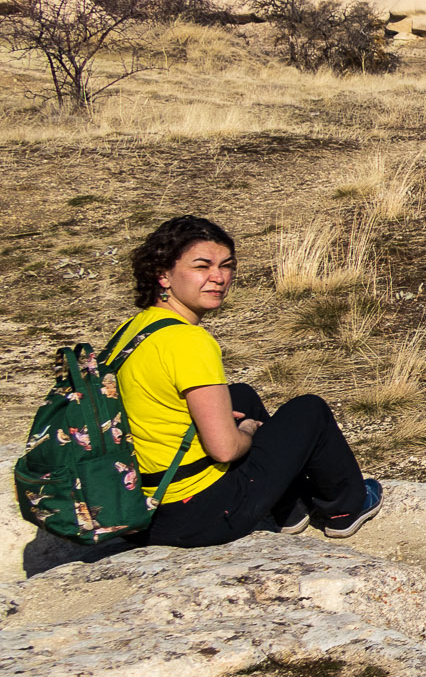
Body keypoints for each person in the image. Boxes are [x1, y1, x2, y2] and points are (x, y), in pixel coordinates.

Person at [52, 214, 381, 562]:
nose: (219, 277)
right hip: (198, 516)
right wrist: (247, 431)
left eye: (226, 265)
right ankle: (346, 509)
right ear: (163, 273)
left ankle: (289, 510)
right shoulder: (190, 342)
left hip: (144, 508)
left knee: (240, 396)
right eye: (202, 266)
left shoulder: (133, 330)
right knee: (308, 410)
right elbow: (225, 450)